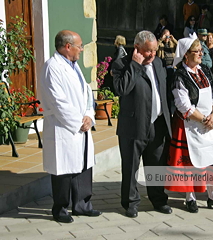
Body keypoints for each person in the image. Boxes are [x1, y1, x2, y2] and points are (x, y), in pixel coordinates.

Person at [165, 33, 213, 213]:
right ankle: (190, 197)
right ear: (186, 54)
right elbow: (183, 105)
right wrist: (204, 119)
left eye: (201, 51)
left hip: (209, 124)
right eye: (196, 51)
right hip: (190, 125)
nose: (201, 54)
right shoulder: (180, 76)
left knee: (211, 160)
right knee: (191, 162)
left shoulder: (205, 71)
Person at [38, 30, 101, 223]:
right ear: (67, 47)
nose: (82, 49)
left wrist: (89, 116)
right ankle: (60, 208)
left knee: (82, 166)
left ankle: (82, 204)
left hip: (80, 125)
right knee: (63, 170)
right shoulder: (52, 67)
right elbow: (58, 102)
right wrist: (78, 122)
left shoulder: (74, 66)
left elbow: (86, 94)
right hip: (63, 127)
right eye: (79, 46)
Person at [112, 30, 172, 218]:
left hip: (157, 123)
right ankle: (130, 203)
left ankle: (158, 199)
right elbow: (121, 89)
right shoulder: (122, 64)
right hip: (134, 124)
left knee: (156, 164)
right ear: (137, 48)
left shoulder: (159, 63)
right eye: (148, 51)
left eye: (155, 50)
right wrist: (135, 65)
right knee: (131, 166)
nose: (152, 55)